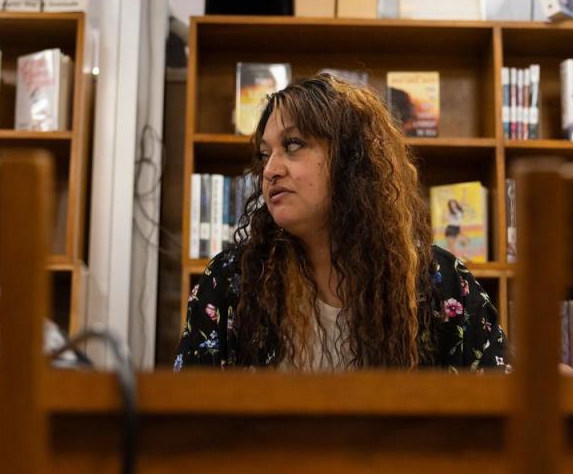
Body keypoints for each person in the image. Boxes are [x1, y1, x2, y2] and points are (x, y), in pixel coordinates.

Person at [174, 75, 508, 372]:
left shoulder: (440, 283)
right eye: (265, 154)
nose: (270, 170)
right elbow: (188, 421)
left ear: (351, 161)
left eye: (293, 146)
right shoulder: (230, 281)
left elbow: (498, 404)